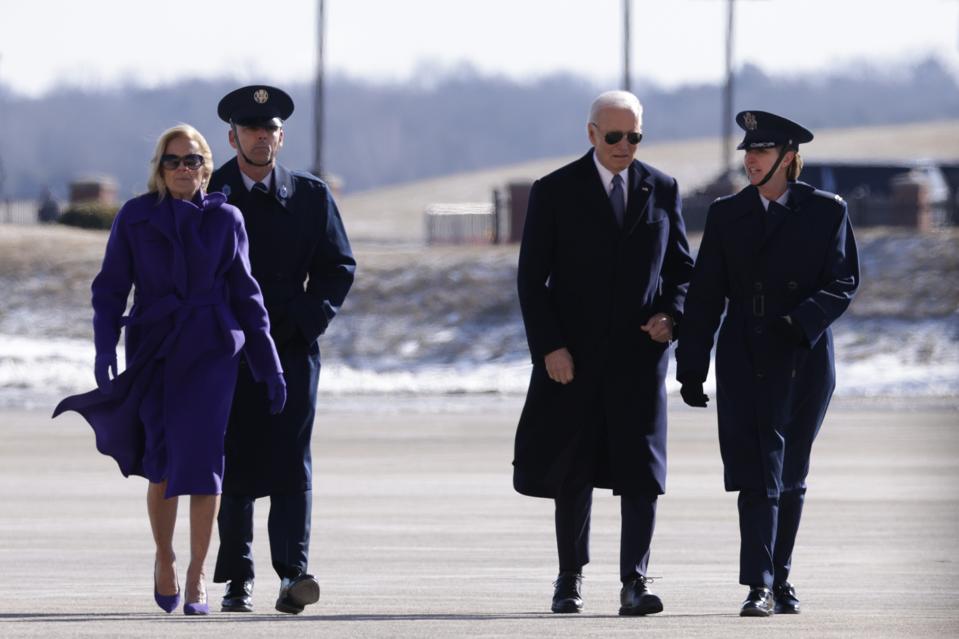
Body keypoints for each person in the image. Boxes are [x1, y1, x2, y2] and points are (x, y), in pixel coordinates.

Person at [53, 124, 286, 616]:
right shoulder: (135, 217)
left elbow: (248, 296)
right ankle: (165, 557)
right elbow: (110, 287)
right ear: (159, 169)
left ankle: (199, 574)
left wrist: (269, 364)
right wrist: (104, 346)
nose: (183, 168)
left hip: (212, 350)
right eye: (173, 160)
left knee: (204, 462)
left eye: (192, 160)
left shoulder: (228, 219)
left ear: (206, 167)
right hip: (154, 347)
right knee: (160, 460)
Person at [514, 90, 694, 616]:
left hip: (640, 359)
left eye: (634, 136)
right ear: (591, 133)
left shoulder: (662, 188)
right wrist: (550, 347)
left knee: (642, 473)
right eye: (613, 136)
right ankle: (569, 577)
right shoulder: (555, 190)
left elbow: (682, 271)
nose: (624, 145)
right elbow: (531, 280)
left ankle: (635, 580)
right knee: (574, 470)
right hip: (573, 360)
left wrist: (672, 316)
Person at [675, 111, 860, 617]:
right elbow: (705, 296)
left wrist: (800, 322)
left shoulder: (826, 211)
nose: (751, 160)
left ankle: (780, 578)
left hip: (803, 355)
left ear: (788, 157)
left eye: (761, 151)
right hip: (745, 353)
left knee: (792, 472)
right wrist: (690, 366)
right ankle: (758, 584)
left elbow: (844, 280)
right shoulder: (726, 214)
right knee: (756, 471)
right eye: (748, 152)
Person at [209, 85, 356, 615]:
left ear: (281, 137)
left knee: (292, 460)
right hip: (227, 351)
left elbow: (338, 266)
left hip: (291, 347)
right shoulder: (212, 193)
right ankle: (237, 576)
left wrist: (307, 319)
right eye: (250, 129)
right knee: (233, 460)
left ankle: (294, 573)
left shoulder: (311, 195)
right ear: (233, 137)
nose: (261, 137)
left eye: (269, 129)